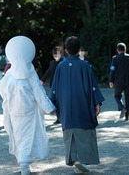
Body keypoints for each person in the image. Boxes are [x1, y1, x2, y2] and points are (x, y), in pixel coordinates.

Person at [0, 36, 56, 175]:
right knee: (27, 137)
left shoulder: (10, 73)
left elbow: (2, 90)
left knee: (18, 136)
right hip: (28, 111)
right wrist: (49, 108)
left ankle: (22, 162)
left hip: (13, 110)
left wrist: (10, 98)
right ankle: (24, 164)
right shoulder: (29, 71)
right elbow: (39, 92)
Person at [49, 36, 104, 174]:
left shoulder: (60, 66)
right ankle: (84, 159)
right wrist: (97, 102)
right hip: (82, 103)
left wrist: (52, 104)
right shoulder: (85, 65)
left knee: (69, 131)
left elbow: (54, 87)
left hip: (66, 105)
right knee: (84, 129)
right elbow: (92, 86)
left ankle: (74, 159)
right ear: (79, 50)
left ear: (66, 50)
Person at [109, 42, 129, 121]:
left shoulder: (115, 58)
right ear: (125, 49)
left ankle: (122, 107)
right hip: (128, 80)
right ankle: (127, 116)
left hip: (118, 81)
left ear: (117, 50)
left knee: (117, 96)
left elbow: (112, 70)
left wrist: (111, 80)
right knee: (128, 98)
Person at [41, 46, 63, 124]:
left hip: (61, 85)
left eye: (57, 54)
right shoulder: (52, 63)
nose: (55, 56)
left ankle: (62, 117)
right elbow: (48, 72)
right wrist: (43, 80)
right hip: (53, 86)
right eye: (54, 55)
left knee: (61, 102)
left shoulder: (63, 62)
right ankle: (59, 117)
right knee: (55, 102)